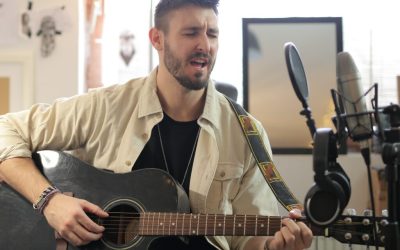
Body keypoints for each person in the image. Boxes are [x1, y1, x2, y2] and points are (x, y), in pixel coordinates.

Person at [0, 0, 313, 249]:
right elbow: (5, 130)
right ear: (157, 39)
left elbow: (247, 237)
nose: (205, 45)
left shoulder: (247, 133)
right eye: (191, 32)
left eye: (212, 33)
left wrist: (274, 247)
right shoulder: (106, 106)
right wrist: (50, 201)